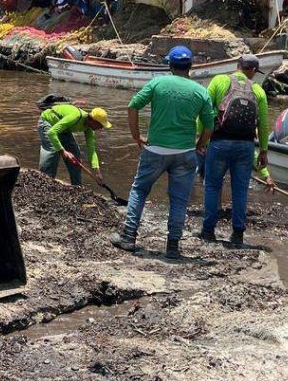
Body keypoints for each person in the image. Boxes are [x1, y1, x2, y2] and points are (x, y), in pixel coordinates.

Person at [111, 46, 215, 259]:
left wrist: (136, 136)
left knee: (140, 190)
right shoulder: (200, 91)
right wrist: (199, 145)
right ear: (191, 67)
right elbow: (209, 126)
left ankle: (129, 237)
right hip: (185, 152)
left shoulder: (157, 82)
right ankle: (173, 247)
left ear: (169, 65)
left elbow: (132, 107)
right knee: (179, 200)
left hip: (155, 149)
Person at [198, 54, 271, 248]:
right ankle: (238, 233)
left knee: (213, 185)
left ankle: (208, 230)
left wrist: (201, 140)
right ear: (253, 71)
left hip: (219, 142)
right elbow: (263, 124)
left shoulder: (219, 80)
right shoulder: (258, 90)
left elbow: (205, 112)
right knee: (240, 189)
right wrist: (263, 150)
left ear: (237, 66)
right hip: (246, 146)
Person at [38, 102, 111, 186]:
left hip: (63, 129)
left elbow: (91, 149)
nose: (100, 128)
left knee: (75, 154)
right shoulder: (75, 116)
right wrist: (62, 151)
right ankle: (45, 182)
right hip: (48, 122)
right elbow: (51, 132)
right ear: (92, 120)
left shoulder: (89, 129)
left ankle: (77, 186)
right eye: (100, 125)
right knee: (53, 150)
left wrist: (97, 171)